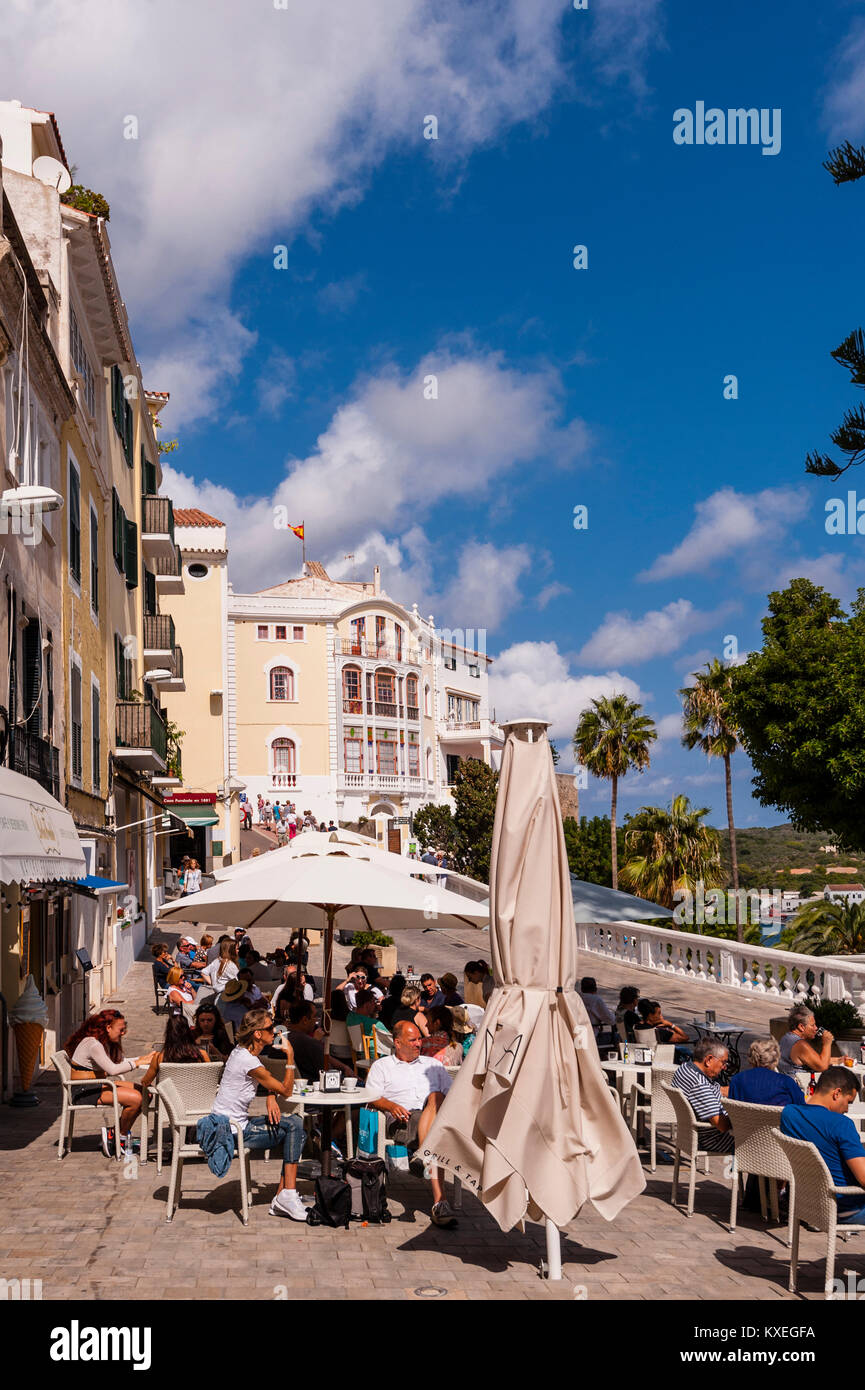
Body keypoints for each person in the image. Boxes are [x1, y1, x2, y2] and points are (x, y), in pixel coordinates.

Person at [210, 1008, 308, 1221]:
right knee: (295, 1127)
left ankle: (285, 1195)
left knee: (296, 1127)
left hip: (226, 1123)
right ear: (257, 1034)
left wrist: (271, 1096)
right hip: (232, 1131)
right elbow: (287, 1091)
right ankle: (286, 1195)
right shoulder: (249, 1061)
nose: (274, 1032)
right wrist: (290, 1055)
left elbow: (267, 1081)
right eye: (270, 1028)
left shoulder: (240, 1052)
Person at [364, 1020, 457, 1228]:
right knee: (437, 1130)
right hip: (402, 1119)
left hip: (433, 1117)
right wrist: (389, 1105)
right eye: (413, 1040)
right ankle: (440, 1203)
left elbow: (452, 1094)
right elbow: (371, 1097)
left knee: (436, 1098)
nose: (419, 1044)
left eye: (419, 1039)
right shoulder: (382, 1066)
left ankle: (423, 1156)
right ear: (397, 1043)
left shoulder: (432, 1065)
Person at [64, 1010, 156, 1159]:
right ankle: (120, 1137)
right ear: (108, 1028)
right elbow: (112, 1069)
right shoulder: (93, 1044)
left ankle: (115, 1133)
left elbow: (117, 1063)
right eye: (120, 1029)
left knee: (146, 1093)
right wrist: (138, 1063)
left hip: (97, 1084)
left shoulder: (101, 1042)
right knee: (136, 1099)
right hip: (85, 1089)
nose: (123, 1033)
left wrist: (141, 1058)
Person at [780, 1067, 865, 1222]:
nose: (846, 1109)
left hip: (805, 1203)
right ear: (837, 1093)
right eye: (848, 1102)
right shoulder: (841, 1124)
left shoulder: (789, 1114)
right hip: (846, 1206)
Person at [671, 1038, 734, 1153]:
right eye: (723, 1062)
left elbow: (714, 1091)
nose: (724, 1067)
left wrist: (737, 1090)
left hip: (693, 1134)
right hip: (714, 1140)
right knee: (757, 1142)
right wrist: (741, 1120)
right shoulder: (699, 1084)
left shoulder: (685, 1069)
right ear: (709, 1060)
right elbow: (721, 1125)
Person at [728, 1038, 808, 1108]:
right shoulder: (786, 1082)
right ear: (776, 1059)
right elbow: (802, 1107)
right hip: (779, 1124)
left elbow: (732, 1108)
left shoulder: (737, 1080)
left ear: (752, 1058)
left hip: (744, 1124)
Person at [778, 1004, 854, 1076]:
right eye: (812, 1025)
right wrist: (827, 1044)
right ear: (801, 1027)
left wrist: (838, 1060)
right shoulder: (800, 1044)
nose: (816, 1028)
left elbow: (814, 1060)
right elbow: (822, 1066)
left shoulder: (786, 1038)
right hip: (800, 1086)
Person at [141, 1014, 210, 1091]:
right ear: (188, 1032)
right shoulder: (202, 1054)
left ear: (168, 1033)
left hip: (171, 1101)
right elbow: (210, 1079)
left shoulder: (159, 1057)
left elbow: (145, 1082)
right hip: (197, 1099)